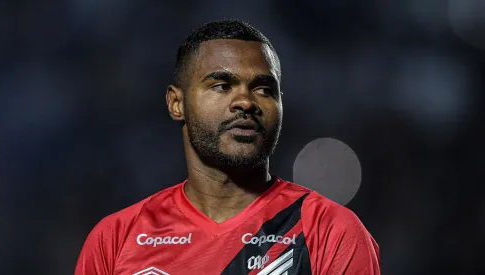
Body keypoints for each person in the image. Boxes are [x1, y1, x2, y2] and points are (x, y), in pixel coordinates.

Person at [75, 19, 380, 275]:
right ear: (176, 102)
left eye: (264, 89)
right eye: (222, 86)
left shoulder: (329, 232)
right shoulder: (115, 239)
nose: (246, 102)